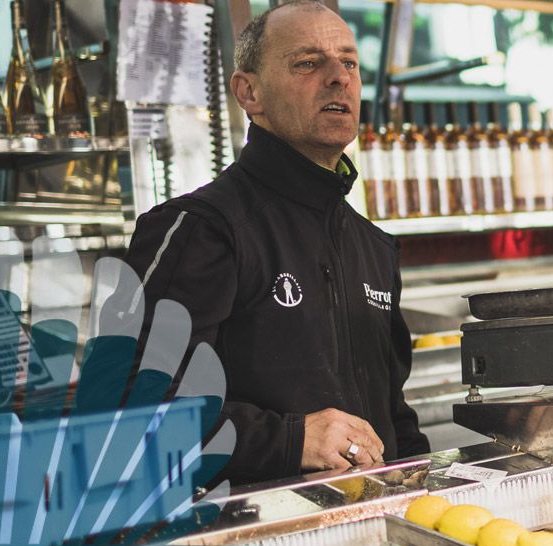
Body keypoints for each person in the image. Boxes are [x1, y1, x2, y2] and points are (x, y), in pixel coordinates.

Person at [123, 0, 428, 485]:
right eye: (308, 63)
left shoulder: (373, 246)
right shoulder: (203, 228)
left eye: (349, 62)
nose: (338, 78)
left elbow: (394, 415)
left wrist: (419, 485)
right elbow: (133, 410)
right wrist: (291, 440)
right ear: (250, 92)